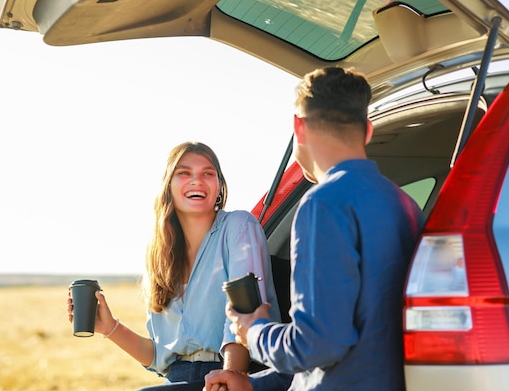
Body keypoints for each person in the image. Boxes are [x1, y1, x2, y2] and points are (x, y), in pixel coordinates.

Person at [204, 67, 425, 391]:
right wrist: (253, 385)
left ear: (299, 127)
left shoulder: (323, 203)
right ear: (367, 130)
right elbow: (356, 348)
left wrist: (253, 331)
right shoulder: (406, 206)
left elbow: (318, 344)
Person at [67, 141, 281, 387]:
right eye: (184, 173)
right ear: (168, 186)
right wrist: (109, 328)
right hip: (177, 381)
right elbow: (160, 357)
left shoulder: (239, 226)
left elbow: (245, 311)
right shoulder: (159, 253)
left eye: (208, 174)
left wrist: (230, 376)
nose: (197, 181)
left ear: (219, 186)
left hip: (235, 375)